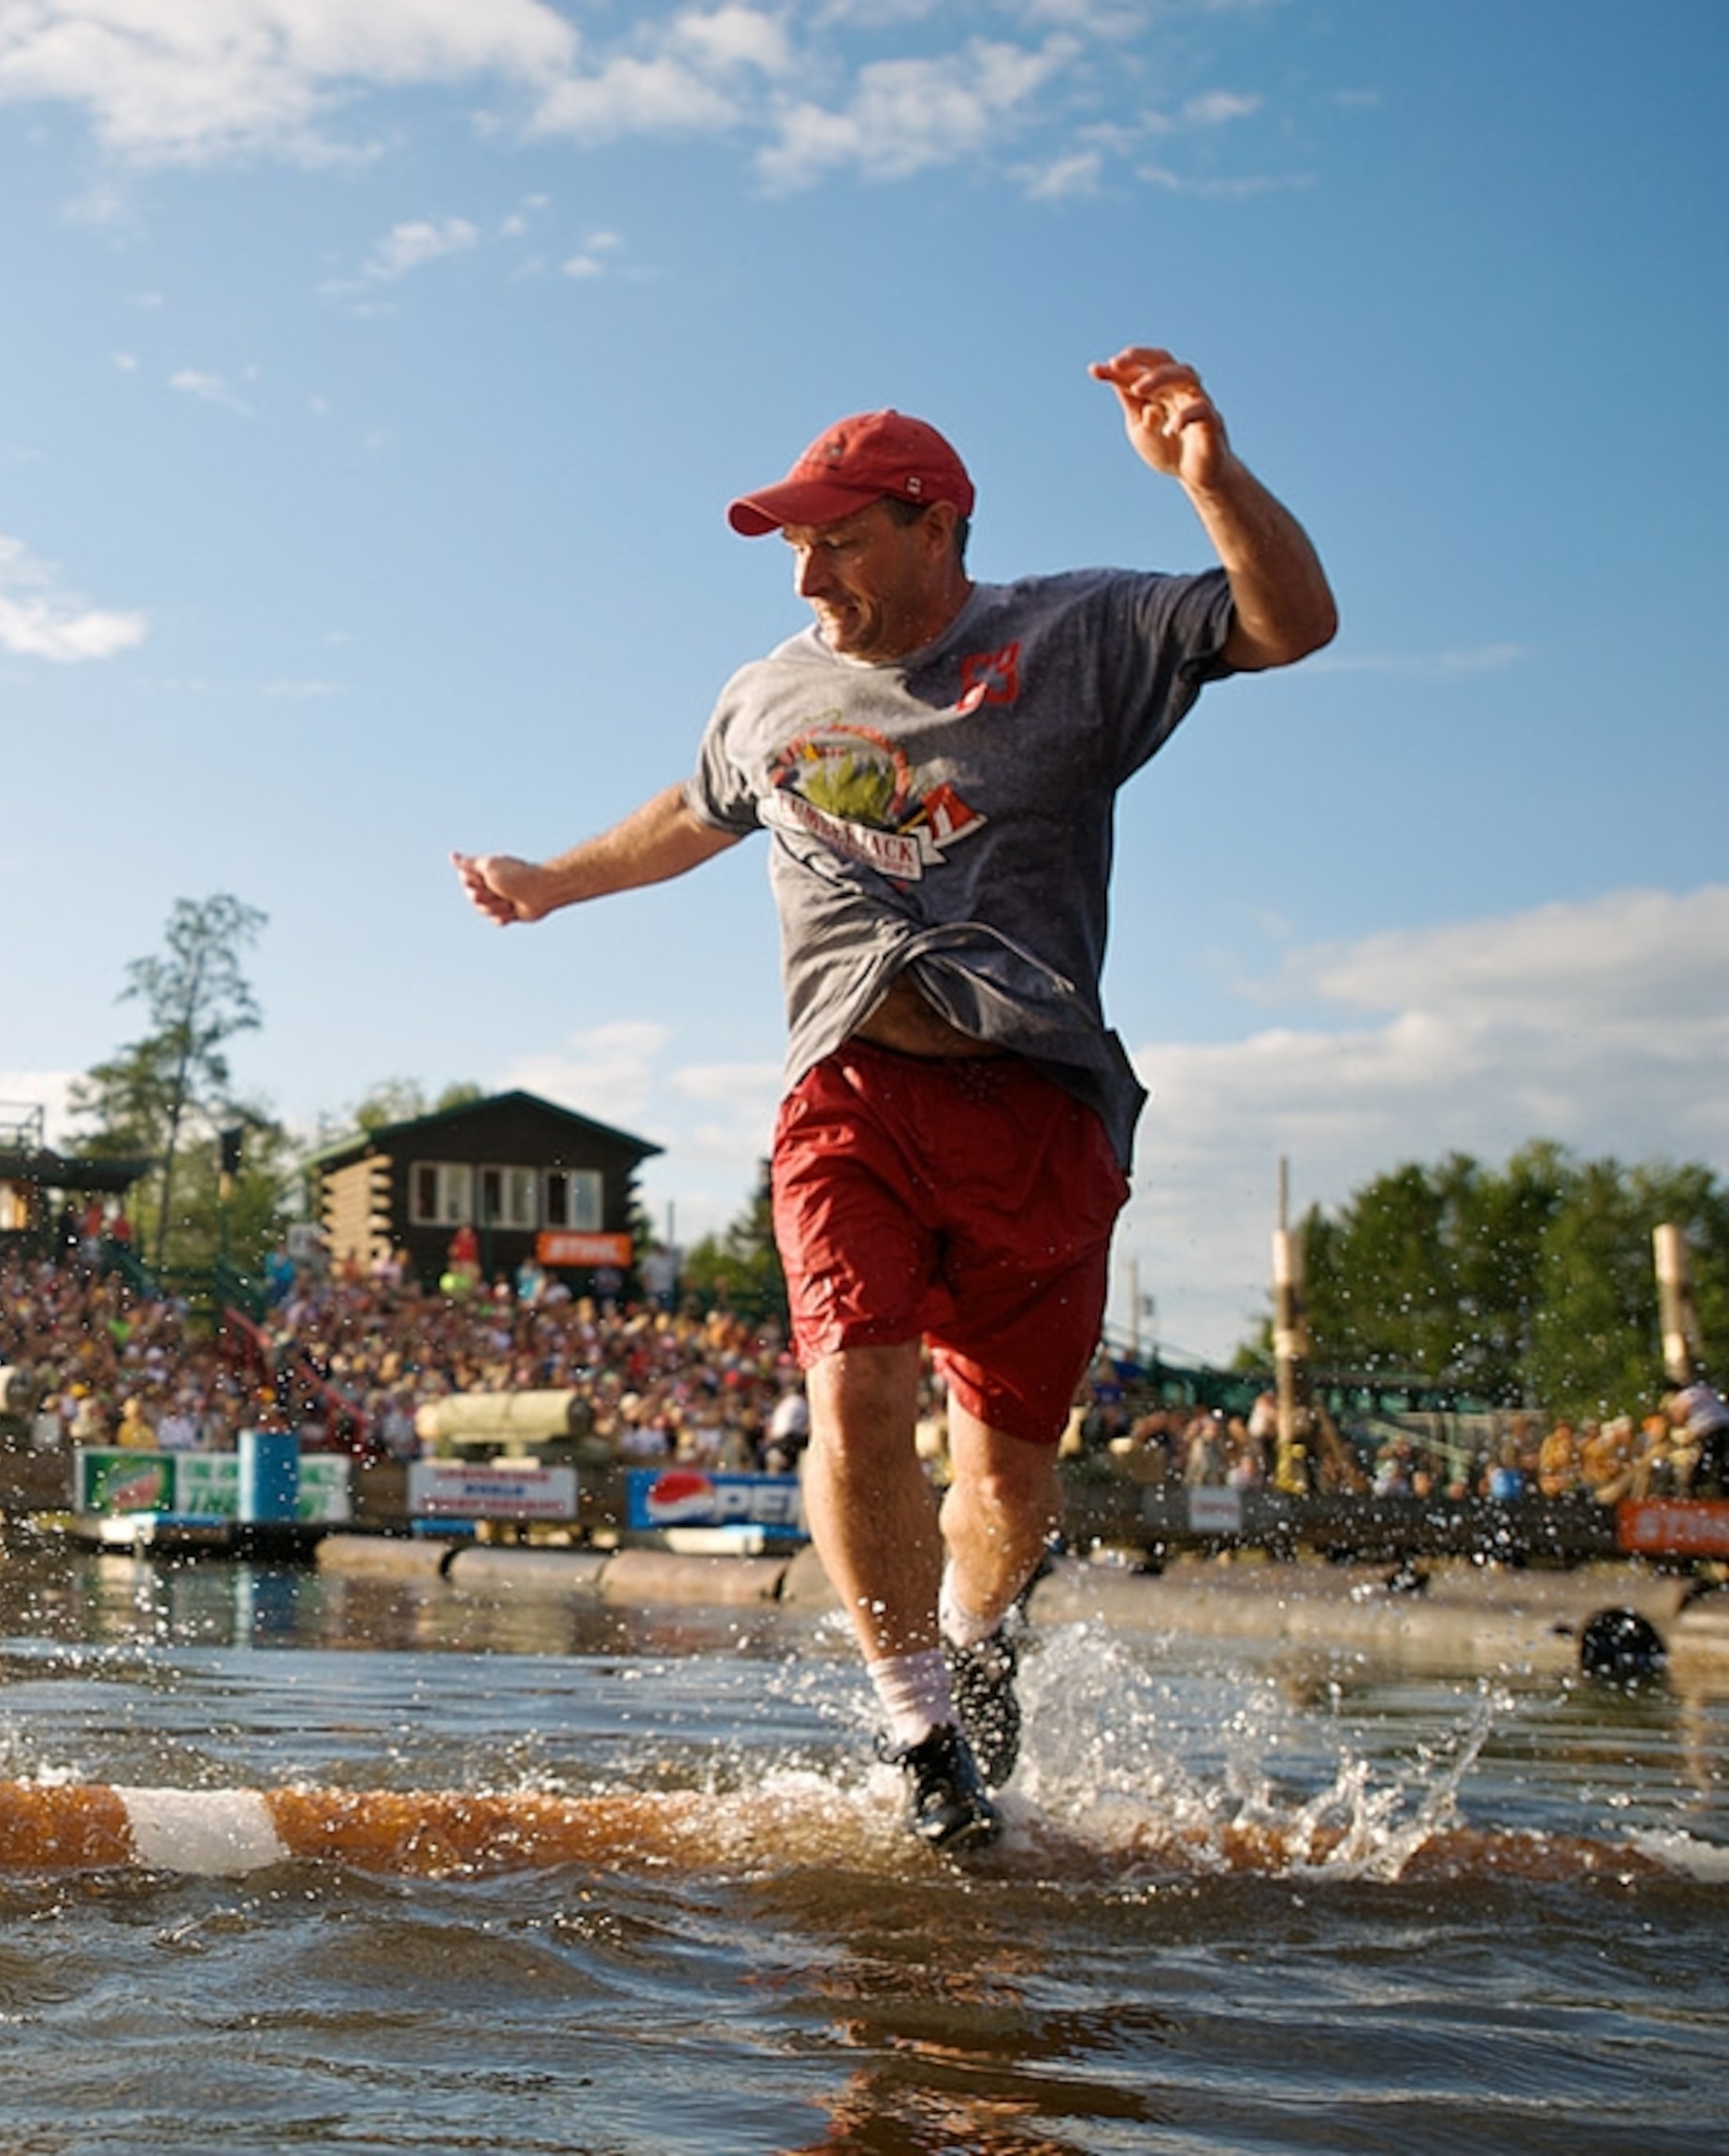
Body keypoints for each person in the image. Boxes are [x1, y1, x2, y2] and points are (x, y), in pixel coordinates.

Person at [452, 348, 1336, 1850]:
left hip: (1040, 1106)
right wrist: (553, 881)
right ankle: (923, 1725)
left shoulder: (1078, 635)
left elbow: (1292, 625)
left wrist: (1210, 483)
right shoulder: (771, 692)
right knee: (852, 1384)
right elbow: (690, 811)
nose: (807, 571)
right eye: (795, 540)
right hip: (851, 1093)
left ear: (936, 526)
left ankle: (983, 1642)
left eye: (838, 536)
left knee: (1008, 1469)